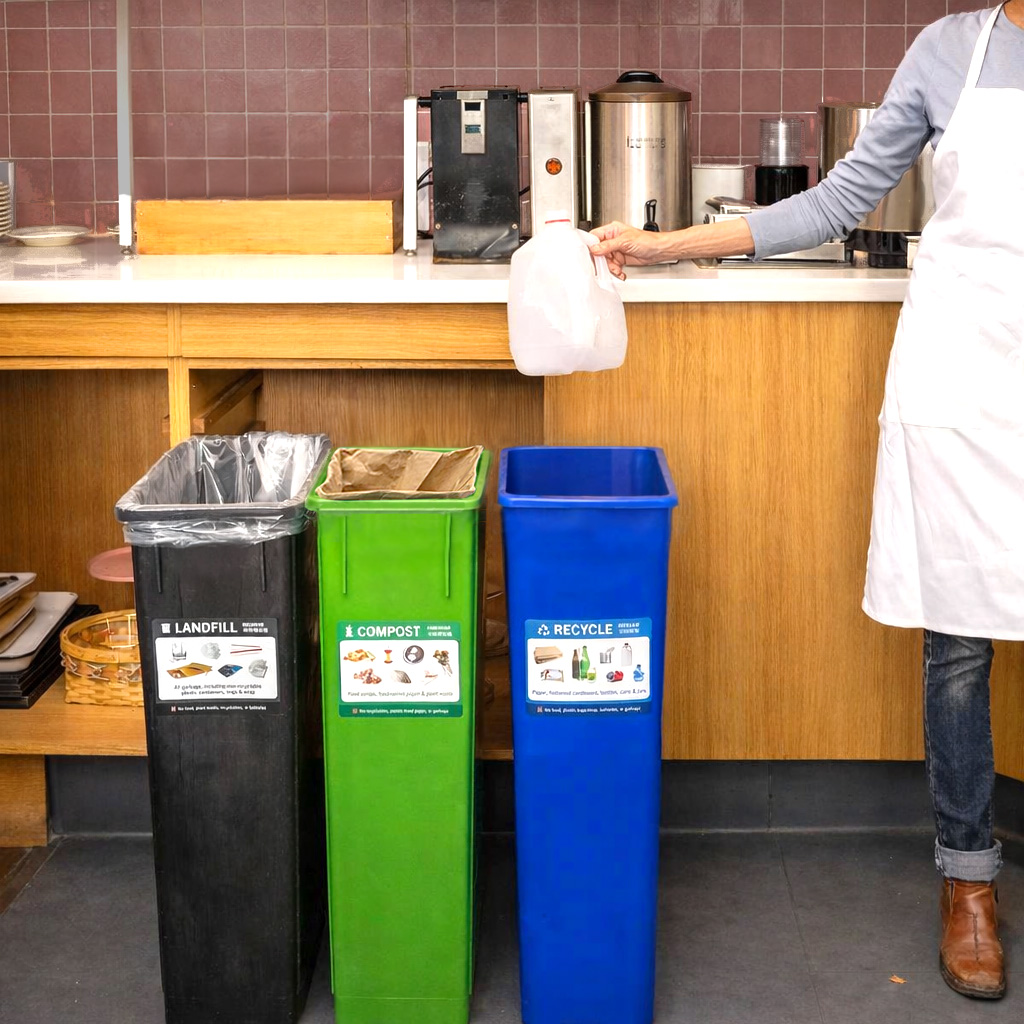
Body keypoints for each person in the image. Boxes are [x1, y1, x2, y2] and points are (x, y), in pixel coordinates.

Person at [590, 0, 1024, 1002]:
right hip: (967, 377)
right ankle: (968, 880)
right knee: (958, 642)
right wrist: (667, 245)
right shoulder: (950, 51)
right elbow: (835, 203)